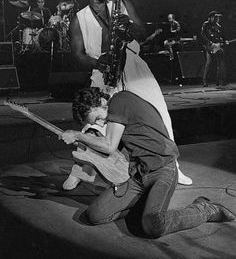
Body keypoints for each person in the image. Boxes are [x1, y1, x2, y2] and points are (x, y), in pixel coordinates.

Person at [63, 0, 192, 190]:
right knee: (93, 119)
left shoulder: (122, 3)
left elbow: (142, 31)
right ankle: (82, 169)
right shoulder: (79, 19)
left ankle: (173, 166)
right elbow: (77, 55)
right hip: (104, 69)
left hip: (133, 63)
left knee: (159, 111)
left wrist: (128, 25)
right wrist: (97, 63)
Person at [61, 87, 235, 238]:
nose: (101, 122)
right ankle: (145, 204)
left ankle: (205, 209)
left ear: (98, 101)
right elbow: (113, 151)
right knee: (94, 215)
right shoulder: (117, 112)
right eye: (96, 123)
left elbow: (109, 146)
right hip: (138, 175)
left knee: (153, 226)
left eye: (97, 118)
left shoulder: (120, 101)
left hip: (163, 171)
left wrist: (77, 135)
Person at [201, 11, 228, 87]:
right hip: (209, 46)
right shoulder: (206, 24)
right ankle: (204, 81)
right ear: (210, 18)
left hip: (217, 46)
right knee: (209, 62)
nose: (216, 18)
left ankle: (220, 81)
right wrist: (210, 43)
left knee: (220, 62)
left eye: (217, 17)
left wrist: (224, 41)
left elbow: (221, 36)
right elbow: (203, 35)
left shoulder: (218, 26)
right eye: (214, 17)